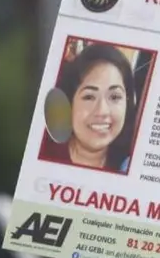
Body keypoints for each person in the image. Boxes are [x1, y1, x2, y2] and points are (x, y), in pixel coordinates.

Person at [40, 43, 138, 173]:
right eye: (89, 97)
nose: (102, 111)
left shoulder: (130, 166)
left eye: (114, 97)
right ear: (70, 101)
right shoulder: (42, 150)